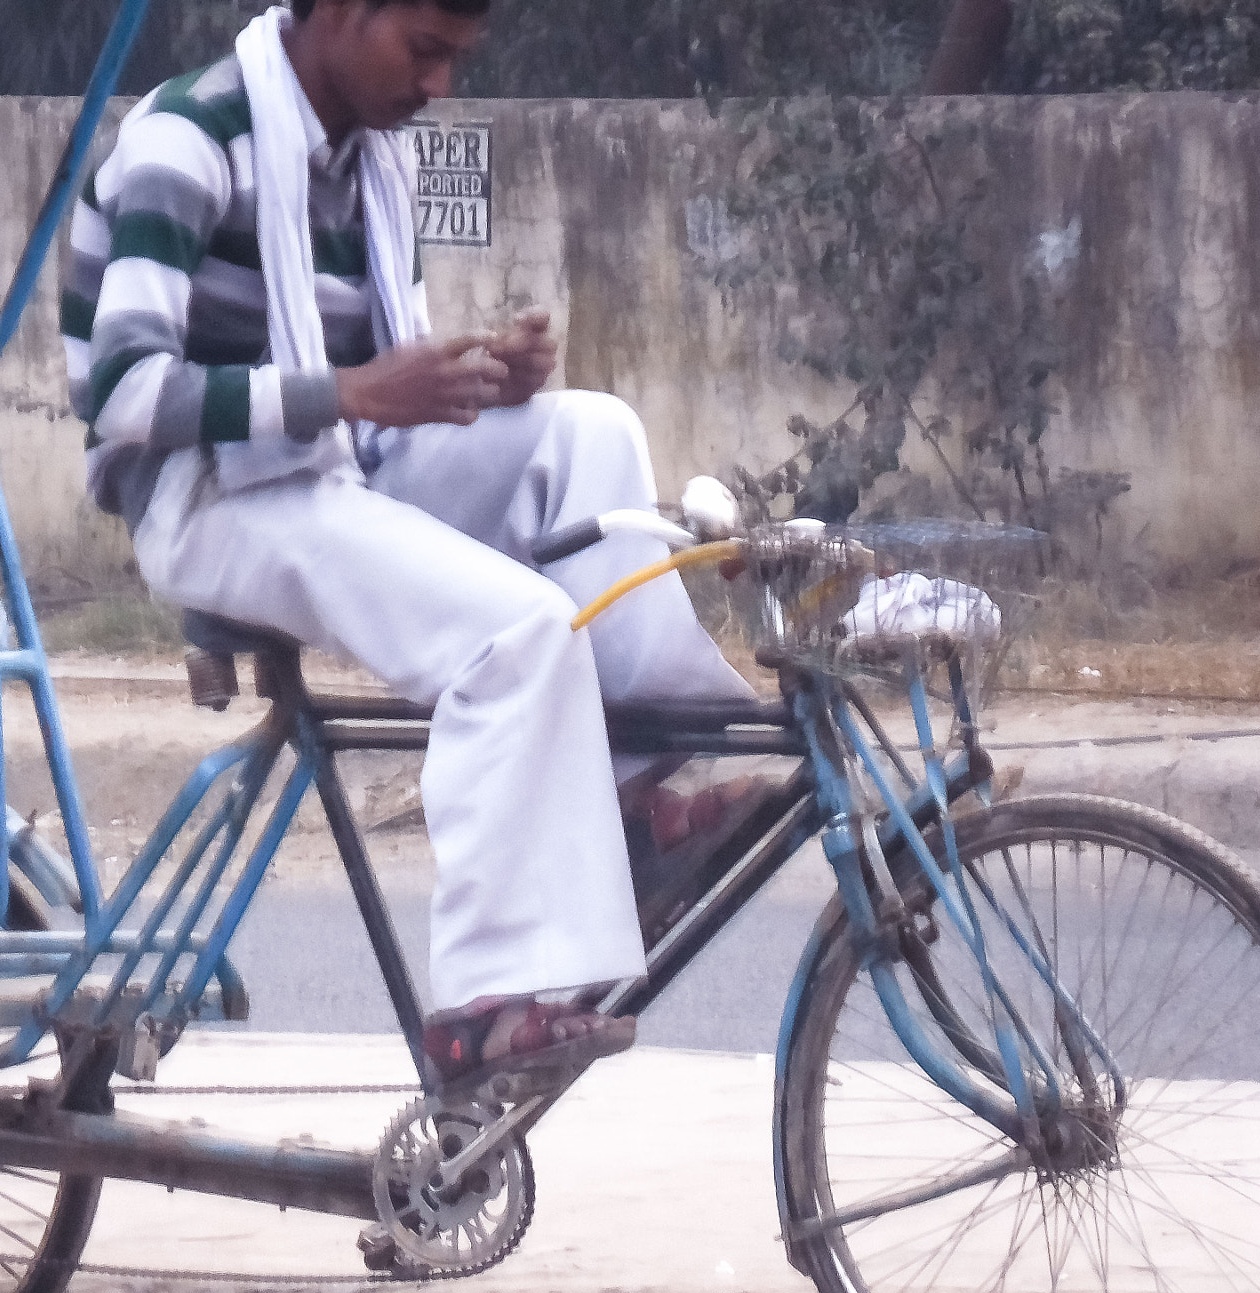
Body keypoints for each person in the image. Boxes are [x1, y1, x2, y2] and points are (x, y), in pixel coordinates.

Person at [61, 0, 760, 1096]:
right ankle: (487, 1001)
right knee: (516, 630)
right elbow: (119, 391)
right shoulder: (187, 139)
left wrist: (481, 380)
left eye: (454, 59)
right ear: (340, 11)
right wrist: (354, 391)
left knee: (592, 432)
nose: (438, 85)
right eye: (424, 50)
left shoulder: (364, 161)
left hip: (331, 463)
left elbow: (378, 384)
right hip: (206, 498)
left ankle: (633, 800)